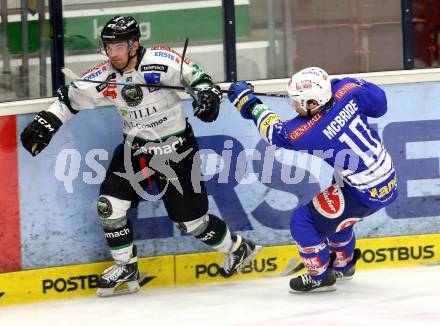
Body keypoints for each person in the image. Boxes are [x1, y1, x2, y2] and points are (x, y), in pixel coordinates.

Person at [20, 15, 261, 297]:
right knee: (108, 206)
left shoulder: (163, 60)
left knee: (191, 222)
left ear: (135, 44)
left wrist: (207, 97)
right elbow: (69, 99)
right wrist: (46, 121)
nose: (113, 54)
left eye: (119, 47)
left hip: (177, 152)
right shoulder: (104, 75)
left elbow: (199, 80)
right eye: (108, 47)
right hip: (136, 150)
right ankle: (126, 267)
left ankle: (237, 247)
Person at [227, 67, 398, 292]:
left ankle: (320, 276)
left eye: (296, 102)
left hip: (363, 192)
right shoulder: (347, 89)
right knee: (335, 216)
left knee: (303, 222)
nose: (292, 106)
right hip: (385, 179)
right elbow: (380, 104)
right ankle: (343, 264)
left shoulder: (307, 131)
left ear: (312, 104)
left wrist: (247, 102)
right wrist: (337, 87)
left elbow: (274, 132)